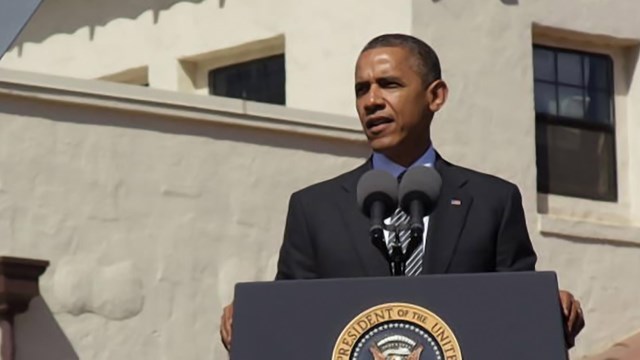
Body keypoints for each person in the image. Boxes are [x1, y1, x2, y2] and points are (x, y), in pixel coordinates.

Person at [220, 33, 584, 350]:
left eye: (389, 84)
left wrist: (549, 308)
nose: (371, 100)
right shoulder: (314, 208)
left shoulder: (492, 201)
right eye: (362, 89)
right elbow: (291, 317)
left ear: (435, 96)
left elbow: (517, 311)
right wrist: (253, 317)